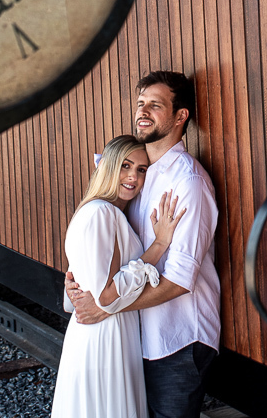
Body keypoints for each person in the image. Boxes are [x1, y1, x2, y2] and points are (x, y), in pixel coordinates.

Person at [67, 71, 220, 418]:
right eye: (140, 104)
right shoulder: (138, 177)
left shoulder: (188, 182)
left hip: (177, 338)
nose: (143, 112)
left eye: (155, 104)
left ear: (181, 117)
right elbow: (111, 250)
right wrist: (81, 279)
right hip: (139, 336)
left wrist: (107, 306)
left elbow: (181, 280)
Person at [51, 135, 187, 418]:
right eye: (125, 166)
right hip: (106, 340)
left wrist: (76, 291)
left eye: (141, 169)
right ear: (109, 166)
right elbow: (107, 297)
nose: (133, 177)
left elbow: (77, 294)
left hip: (94, 335)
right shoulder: (104, 214)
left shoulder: (94, 211)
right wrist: (159, 245)